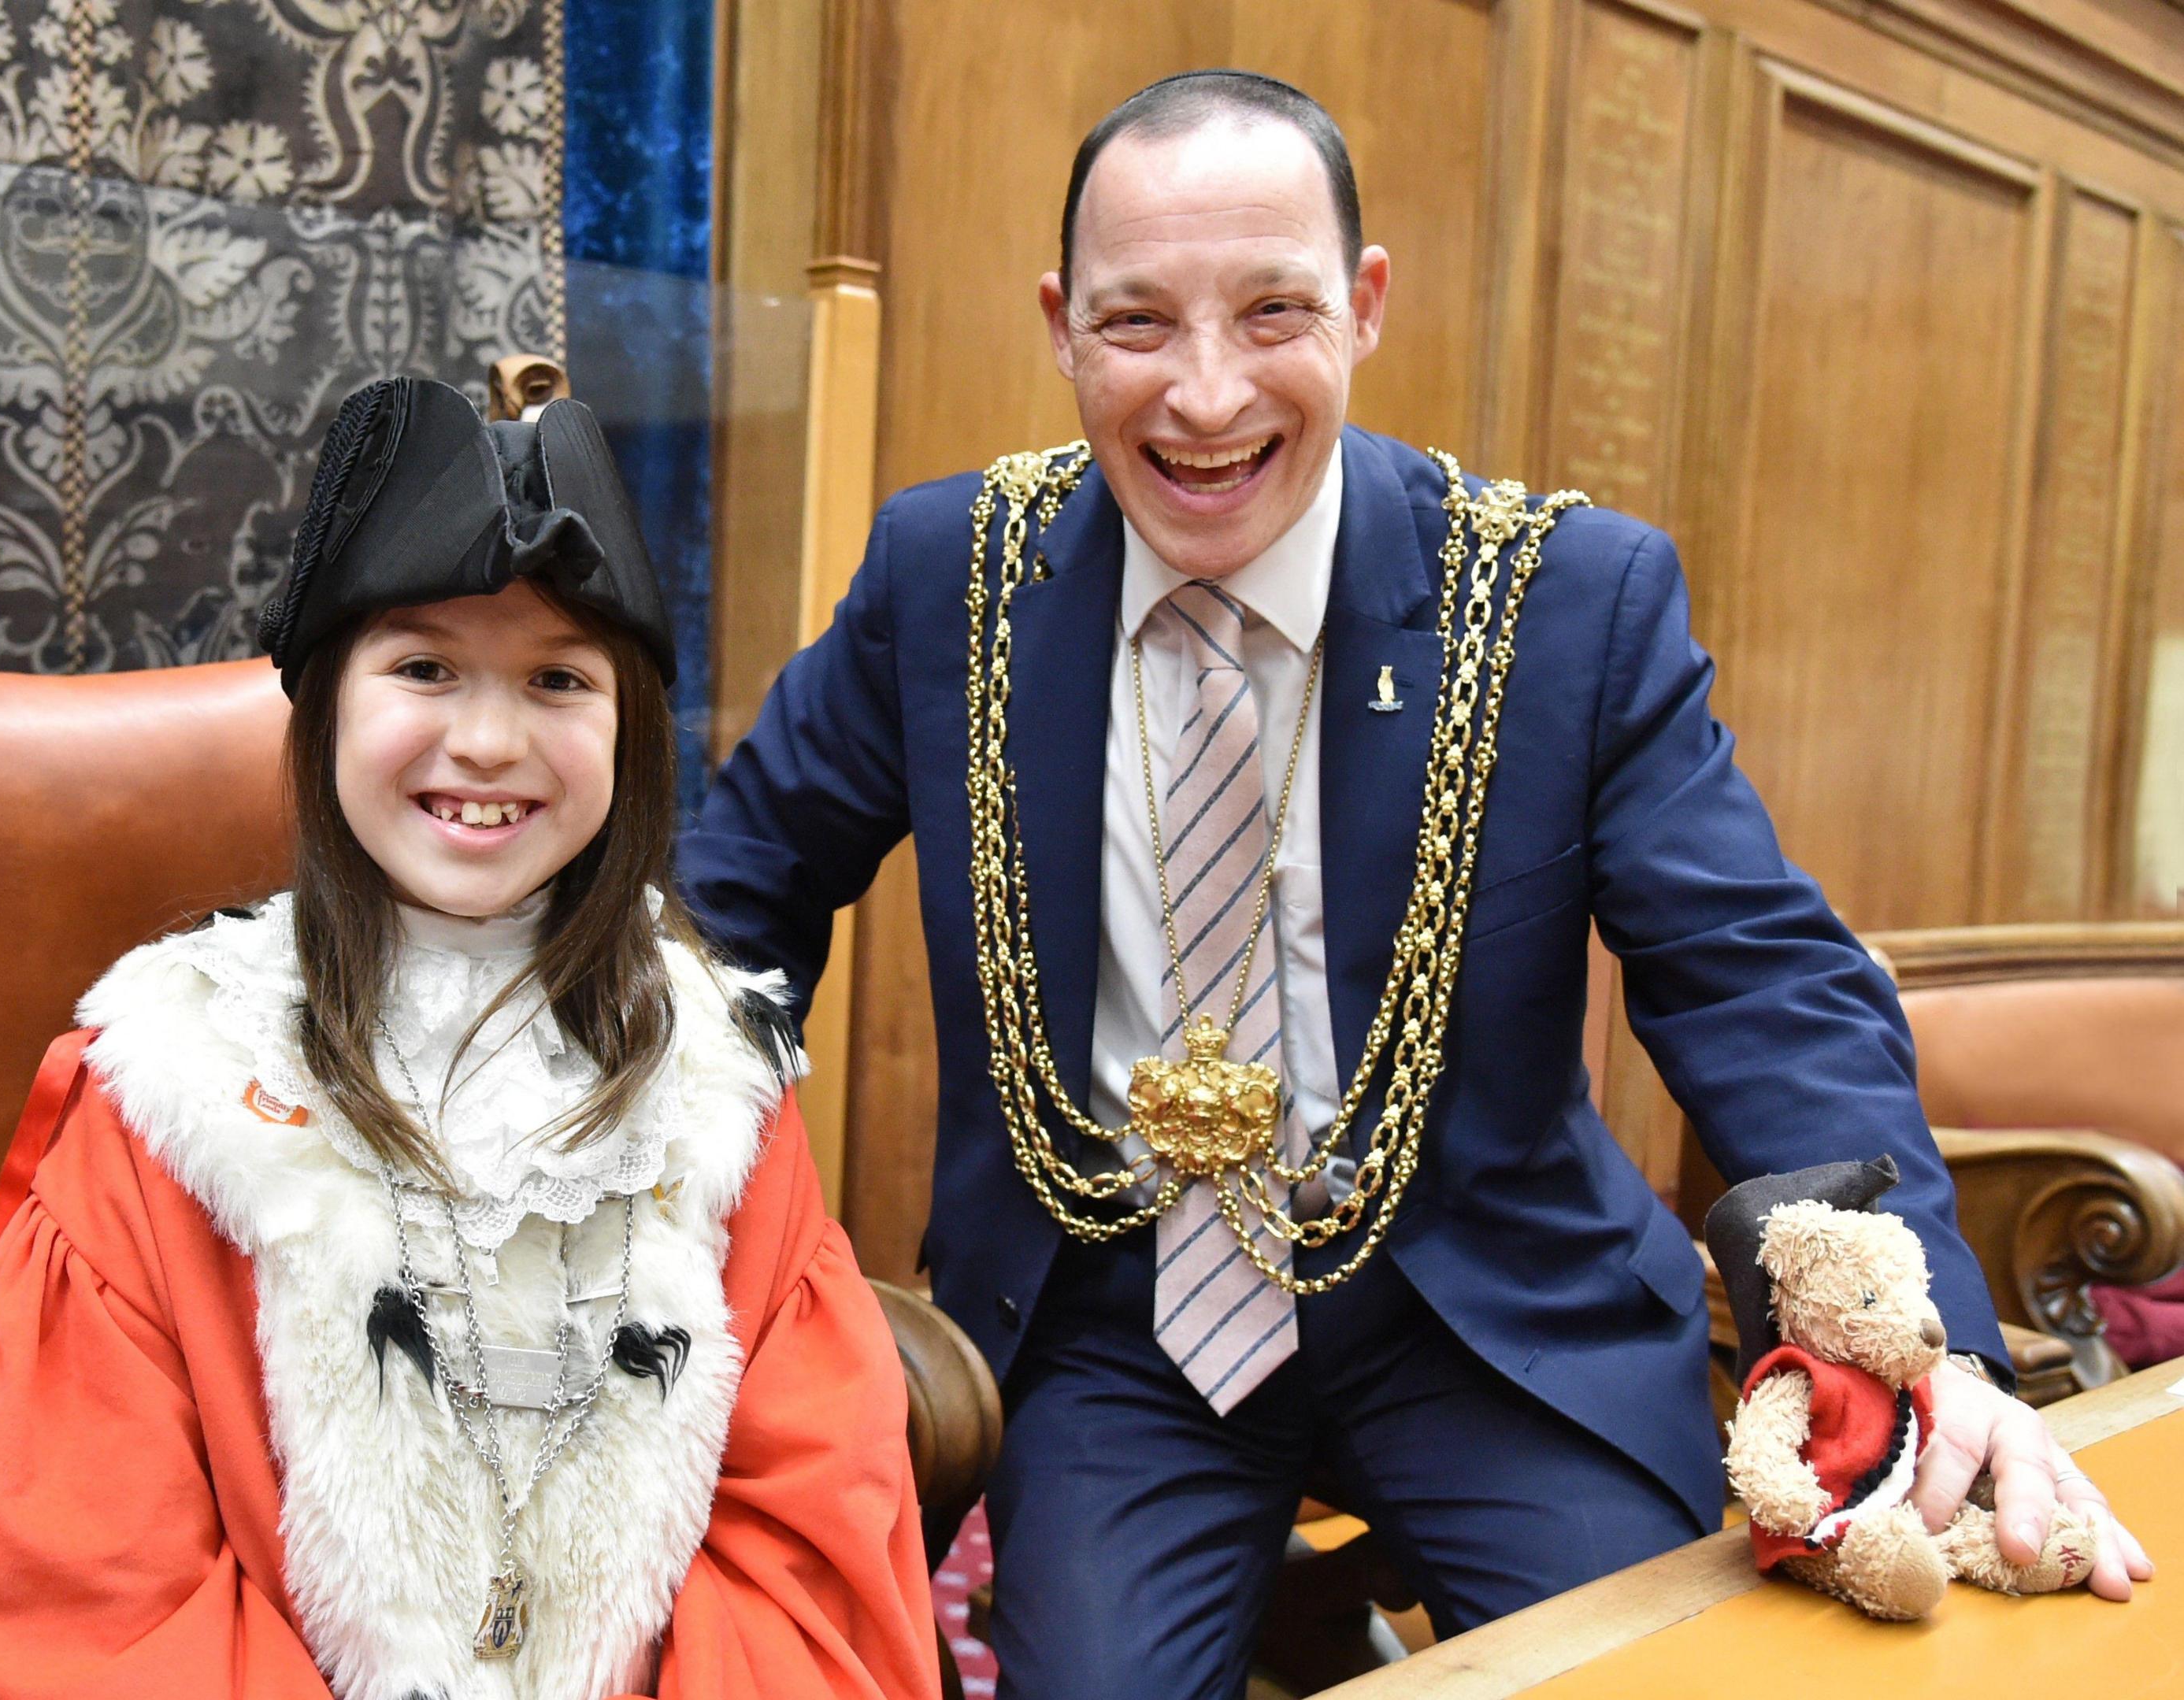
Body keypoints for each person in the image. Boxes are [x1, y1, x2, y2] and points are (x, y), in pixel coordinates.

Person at [681, 69, 2150, 1697]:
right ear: (1062, 328)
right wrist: (642, 1206)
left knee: (1676, 1676)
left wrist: (1911, 1337)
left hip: (1497, 1321)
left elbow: (1750, 973)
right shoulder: (947, 573)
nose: (1207, 394)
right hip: (1117, 1338)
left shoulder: (1564, 602)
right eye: (1140, 323)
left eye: (1273, 310)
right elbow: (735, 893)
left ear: (1366, 307)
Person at [0, 374, 938, 1700]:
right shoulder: (172, 1089)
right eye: (426, 668)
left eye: (559, 678)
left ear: (632, 734)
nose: (489, 739)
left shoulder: (715, 1094)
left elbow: (812, 1554)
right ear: (327, 702)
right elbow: (79, 1594)